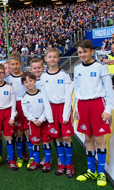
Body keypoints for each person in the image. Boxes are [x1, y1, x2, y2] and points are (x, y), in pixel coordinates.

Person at [74, 39, 114, 187]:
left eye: (85, 51)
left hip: (97, 105)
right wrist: (77, 109)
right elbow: (77, 91)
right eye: (79, 52)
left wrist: (108, 109)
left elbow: (109, 89)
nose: (82, 54)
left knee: (99, 140)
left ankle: (101, 172)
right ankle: (91, 170)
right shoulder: (77, 69)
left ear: (92, 51)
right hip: (83, 106)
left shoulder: (101, 66)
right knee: (88, 138)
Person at [41, 48, 75, 177]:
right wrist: (49, 116)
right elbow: (44, 97)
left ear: (58, 58)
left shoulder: (64, 74)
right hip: (51, 109)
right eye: (50, 57)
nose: (52, 59)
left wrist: (66, 114)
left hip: (63, 108)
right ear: (46, 59)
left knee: (66, 137)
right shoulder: (44, 76)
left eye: (55, 57)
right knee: (58, 137)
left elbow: (68, 96)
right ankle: (62, 164)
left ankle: (69, 165)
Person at [21, 72, 53, 172]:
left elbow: (46, 108)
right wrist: (34, 120)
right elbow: (25, 111)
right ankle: (37, 162)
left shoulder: (42, 94)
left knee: (46, 141)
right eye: (26, 82)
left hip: (44, 122)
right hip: (33, 123)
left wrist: (41, 119)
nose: (29, 83)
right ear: (23, 84)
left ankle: (47, 162)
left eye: (31, 80)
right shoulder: (24, 97)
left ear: (35, 81)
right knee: (35, 142)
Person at [5, 53, 29, 168]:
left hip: (25, 104)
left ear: (21, 64)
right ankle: (19, 156)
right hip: (14, 106)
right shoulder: (8, 79)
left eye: (16, 64)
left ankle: (29, 155)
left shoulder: (26, 76)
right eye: (12, 64)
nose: (14, 66)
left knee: (28, 132)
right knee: (18, 132)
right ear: (9, 65)